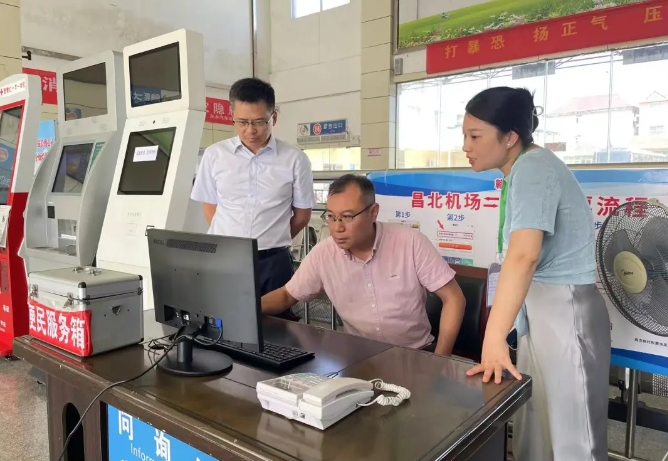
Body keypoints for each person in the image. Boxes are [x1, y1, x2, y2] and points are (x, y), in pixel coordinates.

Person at [462, 87, 610, 461]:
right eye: (465, 136)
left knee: (573, 437)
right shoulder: (521, 170)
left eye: (475, 136)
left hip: (565, 311)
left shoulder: (534, 168)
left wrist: (493, 336)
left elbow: (523, 256)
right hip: (542, 309)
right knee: (539, 423)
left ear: (510, 137)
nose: (466, 146)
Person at [262, 174, 466, 355]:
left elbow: (454, 299)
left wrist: (440, 359)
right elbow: (287, 295)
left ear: (373, 212)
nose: (337, 228)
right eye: (331, 217)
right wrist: (247, 309)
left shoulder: (410, 242)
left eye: (347, 217)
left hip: (416, 354)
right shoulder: (324, 253)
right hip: (358, 357)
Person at [191, 78, 316, 321]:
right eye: (242, 122)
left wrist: (271, 239)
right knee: (223, 322)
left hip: (273, 263)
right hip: (225, 260)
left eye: (259, 122)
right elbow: (211, 209)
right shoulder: (215, 156)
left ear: (273, 118)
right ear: (232, 117)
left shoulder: (295, 159)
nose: (250, 130)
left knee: (276, 328)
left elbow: (302, 216)